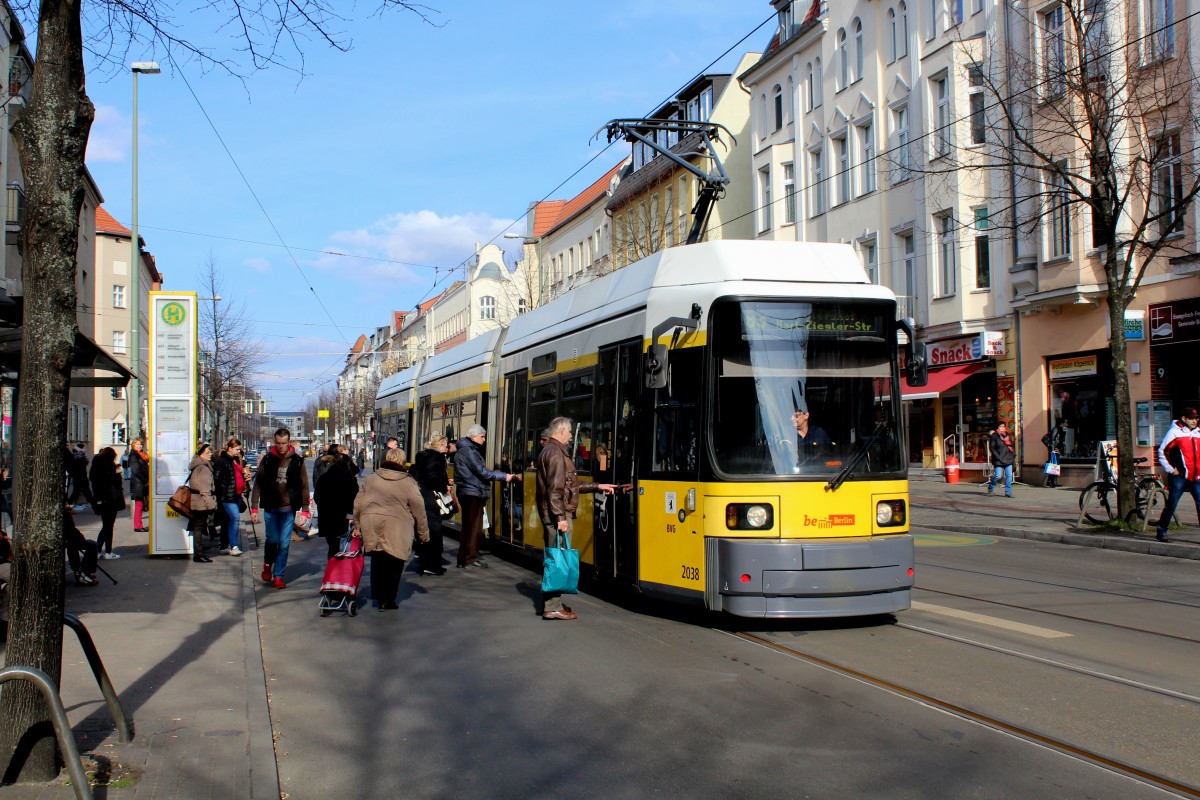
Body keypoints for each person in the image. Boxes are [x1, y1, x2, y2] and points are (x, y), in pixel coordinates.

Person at [536, 416, 617, 620]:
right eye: (570, 431)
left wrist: (598, 486)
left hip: (556, 513)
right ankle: (551, 606)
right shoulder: (555, 453)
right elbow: (555, 490)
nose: (572, 435)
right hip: (557, 515)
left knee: (556, 557)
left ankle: (553, 603)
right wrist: (560, 518)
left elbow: (570, 485)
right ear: (561, 431)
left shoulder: (552, 451)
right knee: (557, 559)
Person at [353, 447, 428, 611]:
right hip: (398, 526)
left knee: (378, 558)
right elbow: (419, 508)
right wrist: (423, 533)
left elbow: (358, 502)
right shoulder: (408, 482)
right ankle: (387, 599)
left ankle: (378, 595)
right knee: (395, 561)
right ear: (402, 461)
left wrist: (357, 523)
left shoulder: (372, 478)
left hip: (372, 523)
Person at [251, 427, 311, 589]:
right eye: (278, 443)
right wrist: (254, 508)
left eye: (284, 443)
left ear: (289, 442)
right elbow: (258, 484)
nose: (281, 446)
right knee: (272, 540)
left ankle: (278, 576)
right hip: (271, 507)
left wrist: (305, 509)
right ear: (275, 442)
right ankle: (267, 564)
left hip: (288, 509)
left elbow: (304, 486)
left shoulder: (297, 461)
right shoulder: (268, 459)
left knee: (284, 544)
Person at [453, 425, 519, 569]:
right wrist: (504, 476)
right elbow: (483, 472)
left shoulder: (464, 451)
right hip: (473, 492)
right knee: (474, 528)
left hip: (469, 491)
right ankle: (469, 558)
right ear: (474, 436)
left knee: (469, 527)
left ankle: (465, 557)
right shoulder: (469, 452)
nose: (484, 440)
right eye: (482, 436)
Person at [1156, 406, 1200, 543]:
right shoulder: (1175, 433)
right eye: (1191, 418)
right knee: (1172, 504)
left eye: (1196, 418)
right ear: (1184, 419)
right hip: (1180, 476)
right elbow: (1162, 452)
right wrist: (1171, 470)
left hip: (1196, 477)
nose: (1194, 421)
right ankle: (1161, 531)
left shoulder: (1198, 433)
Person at [412, 434, 452, 576]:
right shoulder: (437, 457)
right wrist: (444, 486)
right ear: (440, 445)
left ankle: (426, 561)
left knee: (426, 528)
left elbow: (417, 473)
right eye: (446, 446)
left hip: (422, 494)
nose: (447, 449)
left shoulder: (422, 456)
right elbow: (433, 477)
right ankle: (431, 564)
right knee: (434, 530)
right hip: (430, 497)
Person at [316, 453, 359, 560]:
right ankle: (340, 572)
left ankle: (333, 570)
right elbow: (354, 500)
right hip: (343, 519)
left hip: (326, 518)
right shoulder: (349, 479)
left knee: (333, 547)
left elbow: (317, 498)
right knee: (343, 548)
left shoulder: (323, 478)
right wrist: (351, 517)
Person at [88, 447, 126, 559]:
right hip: (110, 499)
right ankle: (107, 552)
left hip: (100, 499)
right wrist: (118, 473)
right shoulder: (110, 467)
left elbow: (94, 482)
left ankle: (99, 551)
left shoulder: (95, 466)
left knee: (106, 526)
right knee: (108, 526)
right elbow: (117, 484)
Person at [213, 437, 248, 556]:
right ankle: (234, 546)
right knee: (235, 519)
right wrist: (222, 491)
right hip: (228, 496)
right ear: (230, 448)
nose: (239, 452)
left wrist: (245, 479)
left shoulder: (235, 460)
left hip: (237, 495)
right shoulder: (222, 460)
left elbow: (237, 474)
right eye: (237, 449)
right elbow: (216, 478)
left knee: (227, 521)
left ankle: (224, 545)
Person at [187, 443, 217, 563]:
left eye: (210, 452)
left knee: (197, 526)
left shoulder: (197, 465)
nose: (210, 455)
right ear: (201, 453)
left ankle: (198, 551)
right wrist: (211, 505)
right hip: (201, 502)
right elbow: (205, 490)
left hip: (196, 500)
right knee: (199, 527)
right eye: (207, 452)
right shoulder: (204, 468)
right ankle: (199, 554)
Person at [64, 507, 100, 586]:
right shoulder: (63, 513)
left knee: (90, 545)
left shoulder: (64, 512)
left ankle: (84, 572)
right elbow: (69, 529)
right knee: (75, 546)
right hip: (68, 537)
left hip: (70, 536)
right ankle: (82, 574)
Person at [986, 422, 1016, 497]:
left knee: (1009, 476)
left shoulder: (1008, 435)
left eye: (1003, 426)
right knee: (998, 476)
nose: (1002, 427)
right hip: (998, 460)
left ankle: (1008, 492)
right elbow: (992, 448)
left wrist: (1011, 456)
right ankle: (991, 488)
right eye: (1000, 426)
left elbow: (1011, 446)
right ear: (997, 427)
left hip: (1008, 459)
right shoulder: (994, 436)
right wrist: (998, 456)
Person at [128, 437, 150, 532]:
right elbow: (136, 470)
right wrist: (145, 480)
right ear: (133, 445)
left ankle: (138, 525)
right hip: (138, 483)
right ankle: (137, 526)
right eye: (137, 444)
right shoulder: (134, 456)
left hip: (141, 482)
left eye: (140, 444)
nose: (139, 446)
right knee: (139, 504)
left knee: (141, 504)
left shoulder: (142, 455)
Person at [67, 442, 93, 510]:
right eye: (84, 448)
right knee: (81, 491)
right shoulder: (77, 456)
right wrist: (76, 447)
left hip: (80, 476)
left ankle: (69, 503)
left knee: (81, 491)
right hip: (79, 477)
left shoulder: (80, 456)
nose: (85, 449)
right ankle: (69, 503)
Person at [1042, 420, 1066, 488]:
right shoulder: (1056, 429)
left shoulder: (1060, 429)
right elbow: (1052, 439)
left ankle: (1051, 481)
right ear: (1061, 423)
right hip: (1054, 450)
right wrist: (1053, 450)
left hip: (1056, 449)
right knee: (1054, 465)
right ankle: (1052, 482)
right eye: (1064, 423)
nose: (1065, 424)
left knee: (1054, 465)